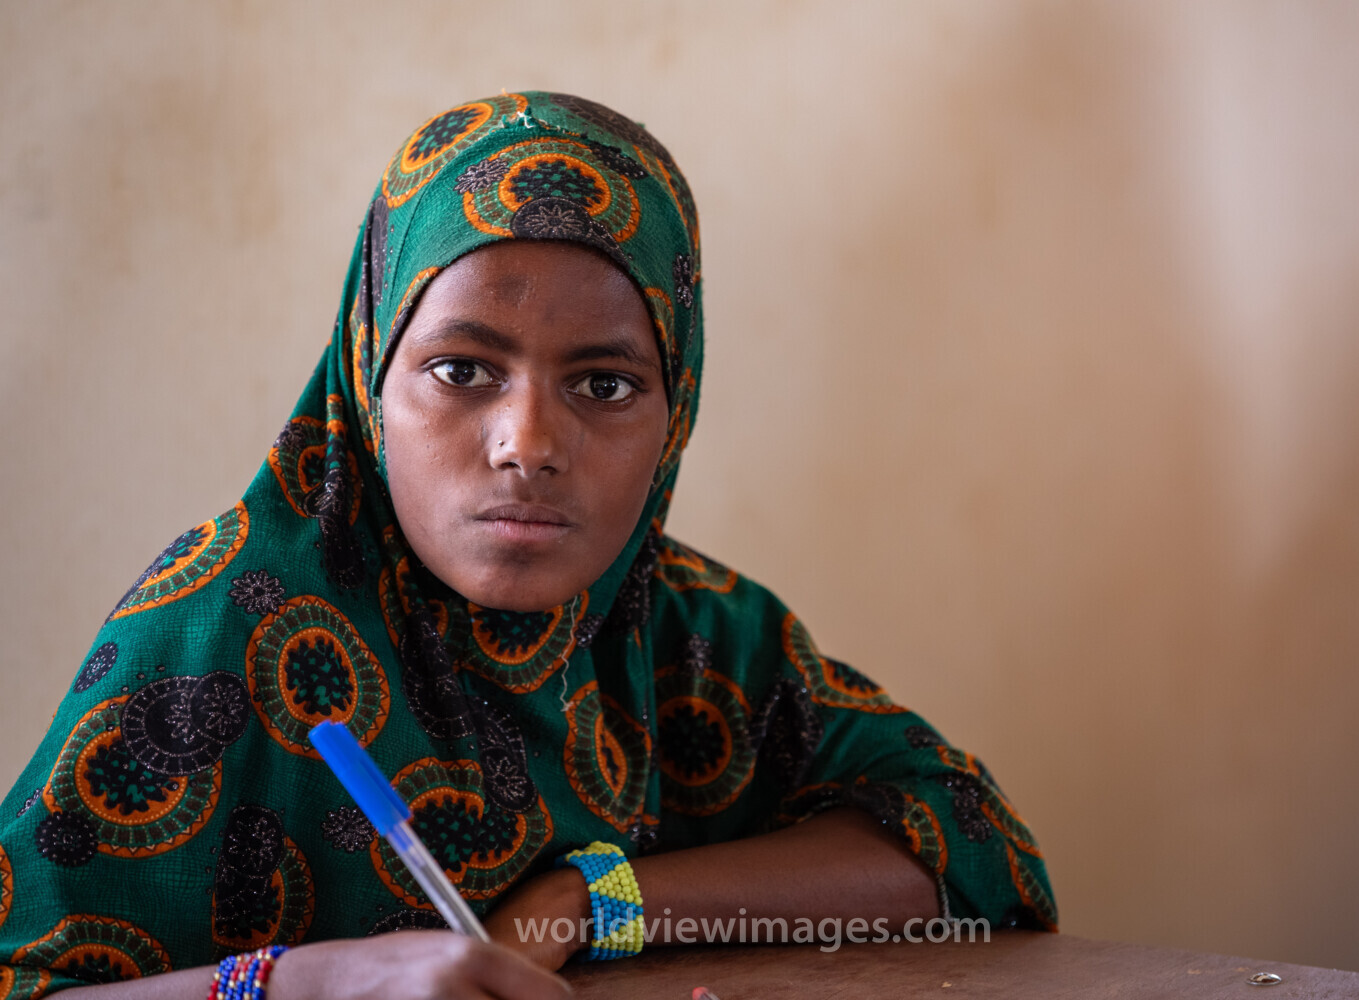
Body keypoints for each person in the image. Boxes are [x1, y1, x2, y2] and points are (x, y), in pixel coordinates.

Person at [0, 92, 1054, 999]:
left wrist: (591, 901)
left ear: (674, 413)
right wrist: (309, 979)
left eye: (605, 383)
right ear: (368, 379)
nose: (530, 444)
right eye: (463, 370)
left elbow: (972, 851)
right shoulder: (223, 623)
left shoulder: (686, 632)